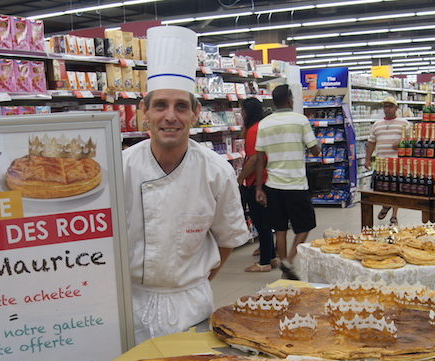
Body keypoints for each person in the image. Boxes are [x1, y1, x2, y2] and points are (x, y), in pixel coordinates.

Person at [122, 25, 250, 343]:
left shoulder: (216, 172)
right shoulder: (120, 167)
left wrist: (193, 281)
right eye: (160, 105)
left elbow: (228, 239)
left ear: (196, 113)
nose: (170, 116)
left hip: (190, 304)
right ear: (145, 113)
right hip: (130, 304)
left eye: (181, 107)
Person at [255, 84, 321, 280]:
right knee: (306, 225)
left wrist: (259, 187)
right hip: (296, 184)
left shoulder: (264, 124)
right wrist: (314, 145)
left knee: (280, 228)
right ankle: (290, 260)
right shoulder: (300, 121)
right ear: (290, 99)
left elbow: (259, 158)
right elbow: (315, 150)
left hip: (273, 185)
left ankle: (284, 264)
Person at [238, 98, 275, 272]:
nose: (241, 114)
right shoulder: (261, 127)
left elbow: (253, 159)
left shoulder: (254, 130)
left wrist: (240, 178)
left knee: (261, 221)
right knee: (265, 220)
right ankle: (272, 256)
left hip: (257, 181)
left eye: (242, 111)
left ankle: (264, 262)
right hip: (267, 178)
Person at [364, 95, 410, 225]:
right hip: (381, 163)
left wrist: (402, 142)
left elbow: (412, 140)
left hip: (397, 162)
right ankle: (386, 205)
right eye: (385, 106)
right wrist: (367, 159)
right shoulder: (377, 124)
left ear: (396, 108)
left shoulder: (404, 123)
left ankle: (394, 216)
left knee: (396, 189)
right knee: (381, 188)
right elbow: (371, 142)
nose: (387, 109)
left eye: (390, 106)